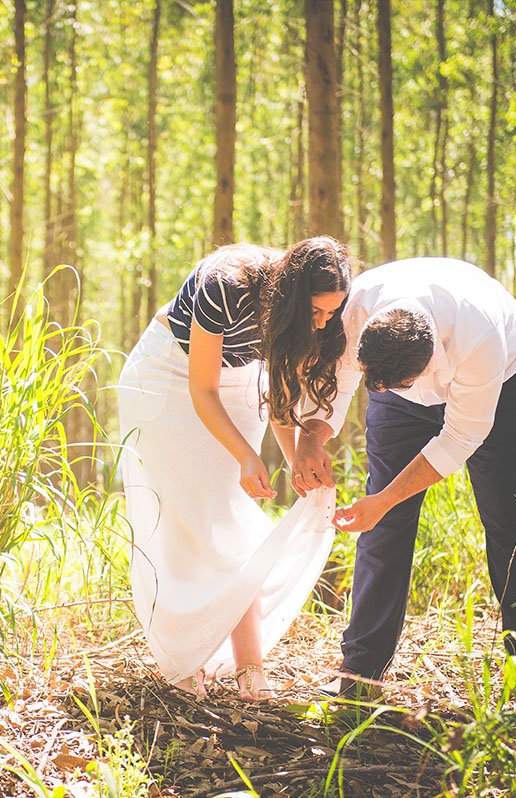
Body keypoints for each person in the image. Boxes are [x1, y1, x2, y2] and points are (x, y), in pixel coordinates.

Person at [290, 257, 516, 700]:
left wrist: (384, 499)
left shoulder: (478, 339)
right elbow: (336, 376)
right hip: (400, 393)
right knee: (382, 526)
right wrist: (312, 436)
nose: (378, 391)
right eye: (374, 382)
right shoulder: (356, 309)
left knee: (509, 521)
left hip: (503, 384)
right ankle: (361, 674)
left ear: (431, 359)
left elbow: (459, 439)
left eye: (395, 383)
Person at [118, 237, 351, 700]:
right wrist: (246, 455)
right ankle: (186, 659)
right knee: (186, 520)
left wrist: (296, 463)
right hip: (170, 375)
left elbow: (281, 395)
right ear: (292, 295)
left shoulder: (301, 318)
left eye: (332, 313)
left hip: (241, 377)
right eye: (316, 311)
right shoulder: (226, 283)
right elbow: (202, 390)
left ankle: (249, 667)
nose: (323, 323)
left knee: (230, 515)